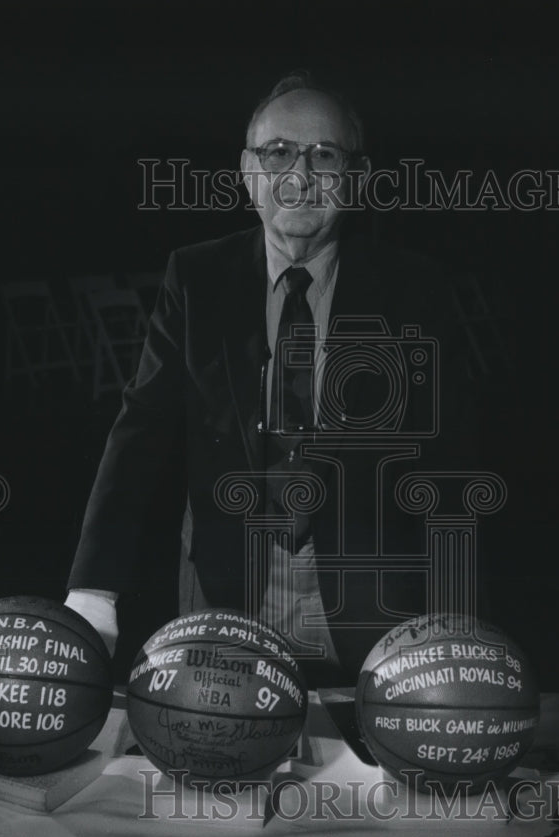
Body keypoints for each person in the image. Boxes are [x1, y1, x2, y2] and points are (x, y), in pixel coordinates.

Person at [65, 70, 476, 682]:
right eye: (278, 152)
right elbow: (141, 431)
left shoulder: (416, 288)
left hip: (376, 609)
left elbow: (454, 463)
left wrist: (461, 626)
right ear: (247, 170)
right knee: (219, 765)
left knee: (376, 775)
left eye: (325, 155)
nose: (300, 175)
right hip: (226, 594)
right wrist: (93, 591)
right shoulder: (195, 276)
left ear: (356, 177)